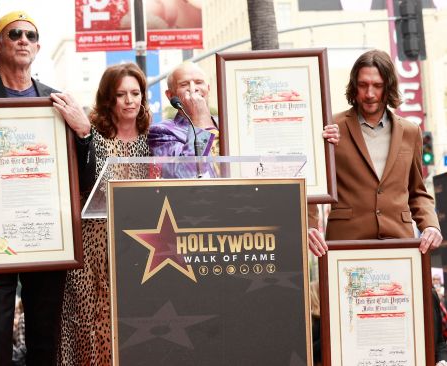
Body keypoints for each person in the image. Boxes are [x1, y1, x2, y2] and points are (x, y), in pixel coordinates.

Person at [0, 10, 95, 366]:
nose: (23, 40)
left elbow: (87, 179)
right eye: (14, 34)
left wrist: (84, 131)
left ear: (39, 46)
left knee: (45, 334)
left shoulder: (58, 101)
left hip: (46, 234)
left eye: (30, 35)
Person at [58, 63, 151, 365]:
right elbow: (88, 183)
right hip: (91, 247)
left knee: (133, 326)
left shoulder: (154, 139)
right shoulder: (89, 134)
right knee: (88, 326)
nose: (129, 101)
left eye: (135, 93)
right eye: (121, 94)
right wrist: (84, 133)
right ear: (108, 98)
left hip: (138, 249)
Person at [307, 49, 442, 256]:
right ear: (354, 86)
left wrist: (431, 225)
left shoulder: (410, 131)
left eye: (378, 86)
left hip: (400, 242)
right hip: (346, 241)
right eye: (363, 85)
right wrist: (310, 225)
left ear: (388, 88)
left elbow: (417, 191)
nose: (370, 94)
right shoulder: (331, 128)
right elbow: (313, 184)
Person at [148, 62, 339, 162]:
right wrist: (200, 122)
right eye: (184, 84)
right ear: (170, 94)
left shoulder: (236, 125)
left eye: (198, 82)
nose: (193, 88)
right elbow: (185, 171)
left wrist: (318, 138)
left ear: (209, 87)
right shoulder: (162, 131)